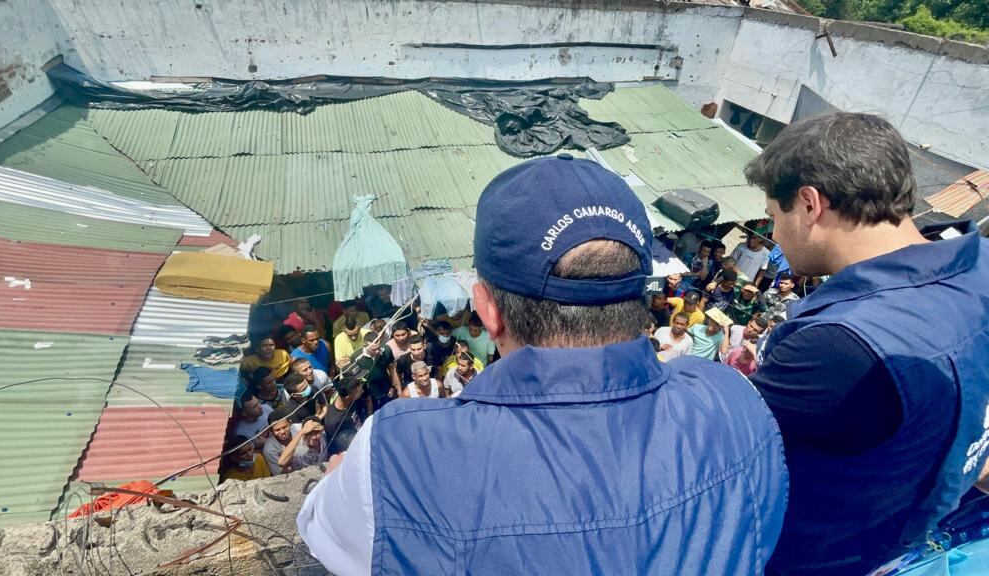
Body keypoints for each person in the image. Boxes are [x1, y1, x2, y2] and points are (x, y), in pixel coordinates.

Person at [298, 154, 787, 575]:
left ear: (487, 311)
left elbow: (320, 529)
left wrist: (347, 475)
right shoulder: (733, 399)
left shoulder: (400, 451)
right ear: (644, 293)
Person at [744, 112, 989, 575]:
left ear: (810, 204)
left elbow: (714, 447)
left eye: (774, 215)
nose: (773, 233)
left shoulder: (837, 345)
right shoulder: (981, 268)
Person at [262, 407, 325, 475]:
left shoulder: (298, 428)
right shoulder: (269, 449)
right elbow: (280, 473)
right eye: (277, 430)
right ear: (271, 431)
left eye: (284, 427)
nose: (282, 432)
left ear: (290, 423)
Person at [322, 366, 367, 456]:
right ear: (347, 397)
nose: (362, 391)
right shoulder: (333, 422)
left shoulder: (353, 400)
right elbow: (337, 446)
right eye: (359, 391)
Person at [351, 331, 396, 412]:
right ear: (365, 346)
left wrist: (393, 387)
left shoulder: (386, 350)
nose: (377, 351)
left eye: (378, 347)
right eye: (373, 349)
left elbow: (392, 369)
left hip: (386, 391)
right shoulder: (356, 358)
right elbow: (355, 379)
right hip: (368, 395)